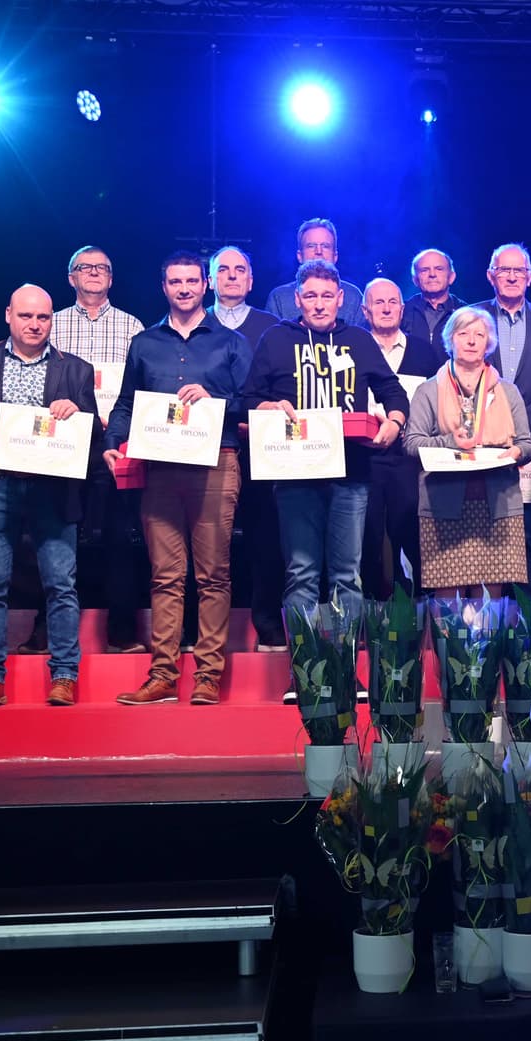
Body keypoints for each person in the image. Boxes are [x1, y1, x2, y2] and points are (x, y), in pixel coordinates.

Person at [102, 252, 249, 706]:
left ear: (205, 285)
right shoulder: (144, 342)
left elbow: (253, 403)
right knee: (165, 575)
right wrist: (112, 441)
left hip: (216, 463)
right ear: (163, 287)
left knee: (213, 575)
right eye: (174, 281)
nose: (183, 288)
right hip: (160, 466)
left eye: (191, 281)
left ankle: (208, 675)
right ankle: (163, 675)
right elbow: (126, 402)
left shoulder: (231, 343)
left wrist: (214, 397)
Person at [0, 285, 99, 707]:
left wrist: (78, 414)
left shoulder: (77, 370)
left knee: (61, 585)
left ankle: (64, 676)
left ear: (52, 320)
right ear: (8, 315)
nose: (35, 325)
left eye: (43, 317)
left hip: (53, 488)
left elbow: (94, 436)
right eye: (26, 316)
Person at [241, 259, 408, 627]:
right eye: (311, 296)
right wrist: (269, 407)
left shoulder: (358, 340)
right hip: (294, 474)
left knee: (347, 574)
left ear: (341, 298)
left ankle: (342, 659)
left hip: (352, 474)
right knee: (301, 571)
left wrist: (395, 421)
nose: (319, 304)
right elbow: (249, 398)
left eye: (327, 296)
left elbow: (392, 390)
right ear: (297, 299)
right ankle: (304, 659)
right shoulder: (276, 339)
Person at [45, 244, 145, 655]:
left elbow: (141, 387)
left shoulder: (132, 326)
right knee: (54, 536)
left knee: (120, 536)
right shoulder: (51, 323)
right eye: (85, 267)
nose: (93, 273)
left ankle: (122, 633)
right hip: (62, 441)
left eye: (102, 268)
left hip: (113, 443)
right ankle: (46, 633)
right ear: (71, 277)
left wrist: (115, 423)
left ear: (112, 278)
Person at [403, 307, 531, 595]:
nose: (472, 341)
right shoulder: (429, 390)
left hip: (498, 505)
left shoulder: (507, 391)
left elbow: (527, 444)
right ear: (451, 340)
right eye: (463, 333)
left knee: (489, 604)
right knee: (448, 602)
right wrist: (451, 441)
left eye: (479, 334)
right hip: (444, 506)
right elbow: (412, 443)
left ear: (489, 343)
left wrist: (516, 453)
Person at [474, 243, 531, 593]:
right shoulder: (471, 319)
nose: (512, 276)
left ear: (530, 277)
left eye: (519, 270)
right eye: (504, 270)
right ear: (490, 276)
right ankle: (490, 614)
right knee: (486, 534)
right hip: (482, 443)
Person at [209, 245, 286, 649]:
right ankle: (202, 630)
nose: (232, 276)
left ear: (251, 280)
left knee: (265, 538)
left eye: (240, 270)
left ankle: (267, 624)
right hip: (207, 448)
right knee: (207, 541)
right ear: (210, 280)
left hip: (262, 449)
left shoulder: (272, 327)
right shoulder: (193, 324)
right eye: (223, 269)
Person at [359, 277, 444, 599]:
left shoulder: (424, 351)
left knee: (410, 532)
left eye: (392, 302)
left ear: (402, 308)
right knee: (367, 537)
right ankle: (371, 608)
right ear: (365, 310)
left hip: (410, 459)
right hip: (364, 456)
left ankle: (417, 608)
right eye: (378, 302)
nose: (386, 308)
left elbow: (438, 401)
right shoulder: (354, 347)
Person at [264, 218, 364, 328]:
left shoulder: (353, 296)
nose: (318, 252)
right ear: (299, 256)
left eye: (325, 246)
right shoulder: (279, 297)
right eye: (311, 246)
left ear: (335, 256)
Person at [401, 248, 466, 350]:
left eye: (439, 269)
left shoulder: (466, 313)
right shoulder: (402, 312)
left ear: (451, 277)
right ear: (415, 280)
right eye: (424, 270)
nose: (432, 274)